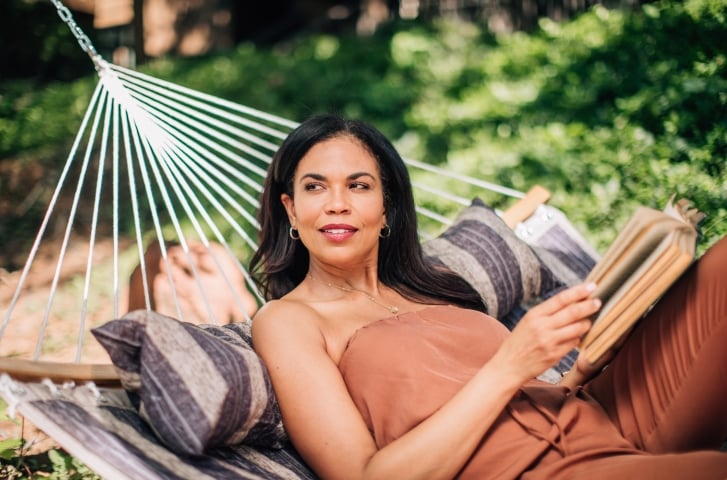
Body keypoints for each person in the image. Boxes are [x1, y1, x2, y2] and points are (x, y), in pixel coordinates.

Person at [249, 113, 727, 479]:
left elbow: (502, 400)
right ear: (291, 208)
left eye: (359, 185)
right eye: (316, 187)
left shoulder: (429, 285)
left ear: (386, 205)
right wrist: (511, 363)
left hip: (592, 411)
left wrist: (578, 370)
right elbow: (364, 475)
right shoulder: (289, 320)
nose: (338, 203)